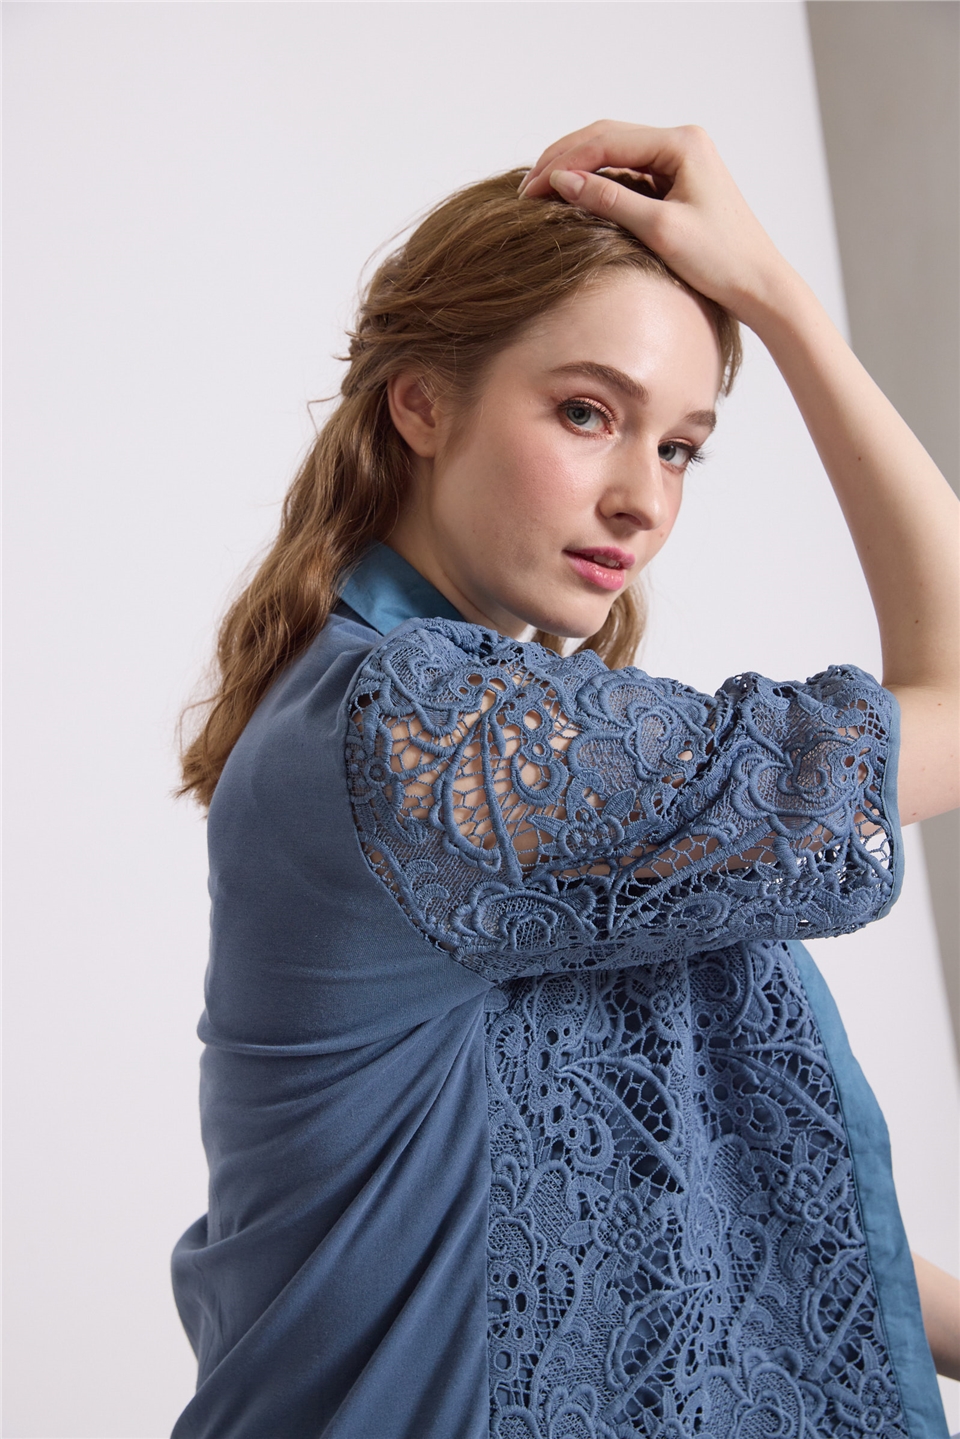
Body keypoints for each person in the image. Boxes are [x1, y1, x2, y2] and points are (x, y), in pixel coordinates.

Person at [170, 122, 959, 1438]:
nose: (642, 498)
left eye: (681, 446)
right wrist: (782, 300)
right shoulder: (424, 730)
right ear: (421, 403)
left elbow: (735, 1204)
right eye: (588, 413)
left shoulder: (456, 735)